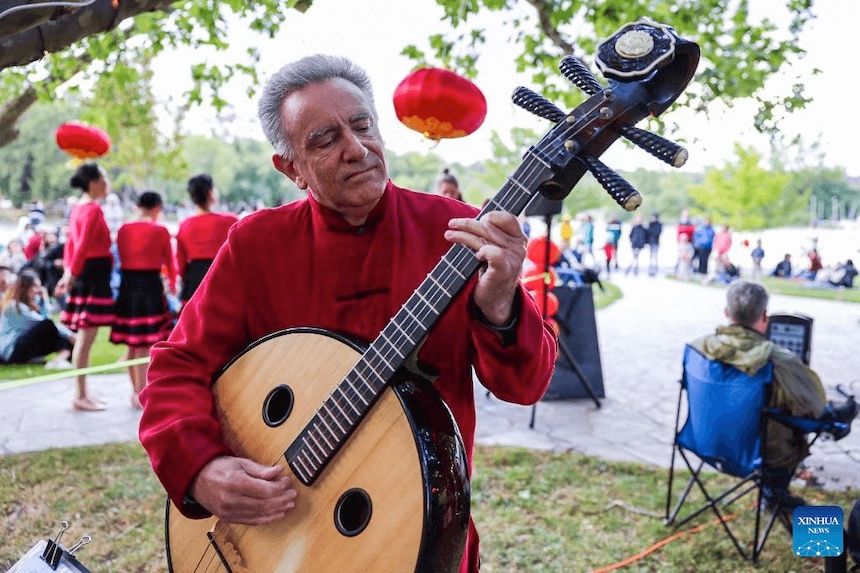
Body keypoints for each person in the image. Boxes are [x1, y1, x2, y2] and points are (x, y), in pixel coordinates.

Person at [138, 54, 556, 573]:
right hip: (283, 538)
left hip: (419, 533)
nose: (357, 149)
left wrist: (499, 302)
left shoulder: (457, 231)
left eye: (363, 126)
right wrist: (202, 468)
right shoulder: (257, 245)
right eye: (325, 139)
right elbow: (177, 368)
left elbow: (526, 385)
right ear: (290, 167)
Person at [690, 280, 852, 510]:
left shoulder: (699, 348)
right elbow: (814, 407)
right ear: (765, 317)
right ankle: (782, 502)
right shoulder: (778, 361)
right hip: (764, 459)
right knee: (823, 419)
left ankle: (775, 499)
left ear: (727, 312)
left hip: (705, 444)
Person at [56, 162, 116, 412]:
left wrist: (69, 271)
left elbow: (72, 244)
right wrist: (71, 273)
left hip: (87, 274)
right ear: (93, 183)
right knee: (86, 337)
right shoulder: (91, 210)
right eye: (103, 179)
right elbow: (79, 245)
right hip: (91, 276)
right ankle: (80, 395)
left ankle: (83, 391)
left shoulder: (79, 208)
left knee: (85, 337)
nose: (106, 184)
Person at [111, 191, 176, 409]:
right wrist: (173, 285)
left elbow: (119, 258)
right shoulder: (160, 230)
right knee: (146, 344)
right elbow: (169, 263)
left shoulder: (123, 230)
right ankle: (142, 393)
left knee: (133, 343)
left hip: (128, 288)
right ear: (157, 207)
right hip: (149, 289)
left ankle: (135, 391)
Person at [175, 174, 239, 306]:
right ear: (211, 193)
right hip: (222, 276)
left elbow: (180, 263)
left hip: (193, 280)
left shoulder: (184, 225)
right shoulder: (231, 221)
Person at [0, 270, 74, 368]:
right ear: (25, 288)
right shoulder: (13, 307)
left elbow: (48, 321)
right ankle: (60, 358)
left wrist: (44, 299)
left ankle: (62, 357)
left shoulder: (33, 302)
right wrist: (71, 335)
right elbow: (46, 322)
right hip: (9, 352)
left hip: (22, 346)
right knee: (49, 326)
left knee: (60, 334)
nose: (38, 290)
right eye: (35, 286)